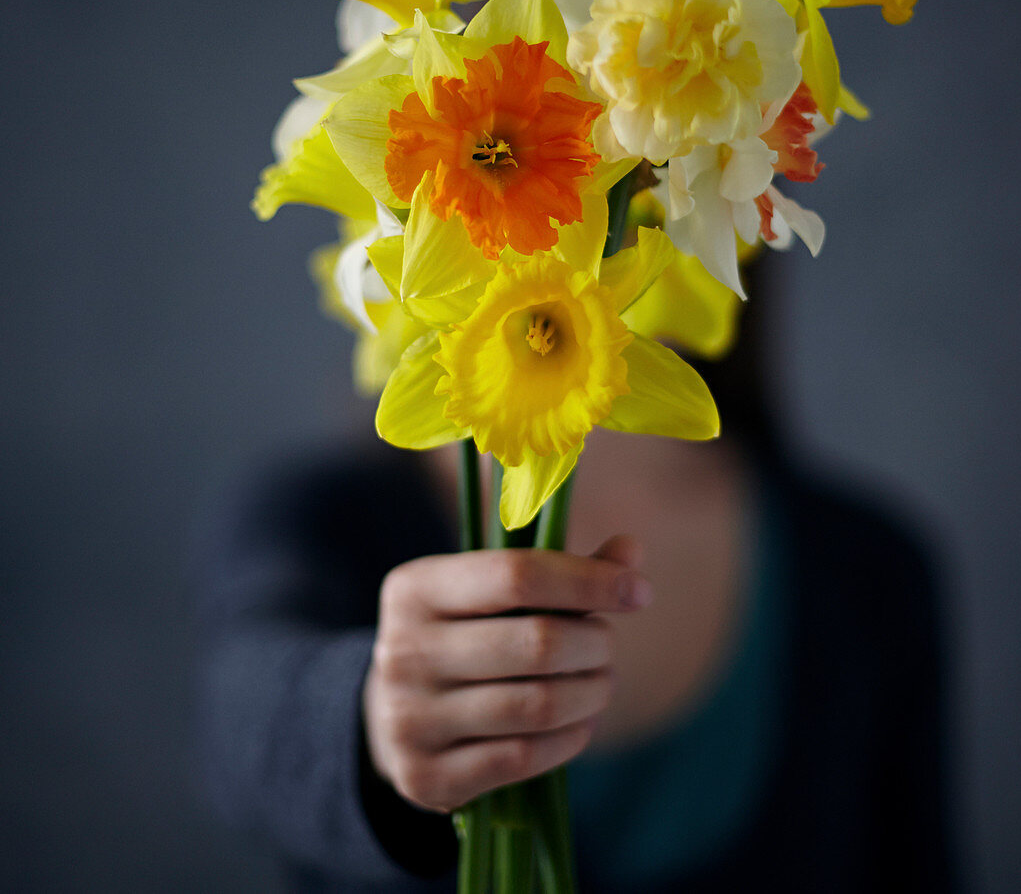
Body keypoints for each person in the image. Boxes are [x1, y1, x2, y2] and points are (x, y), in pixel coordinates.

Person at [195, 250, 960, 892]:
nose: (566, 221)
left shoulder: (867, 570)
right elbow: (239, 721)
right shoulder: (322, 520)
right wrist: (367, 724)